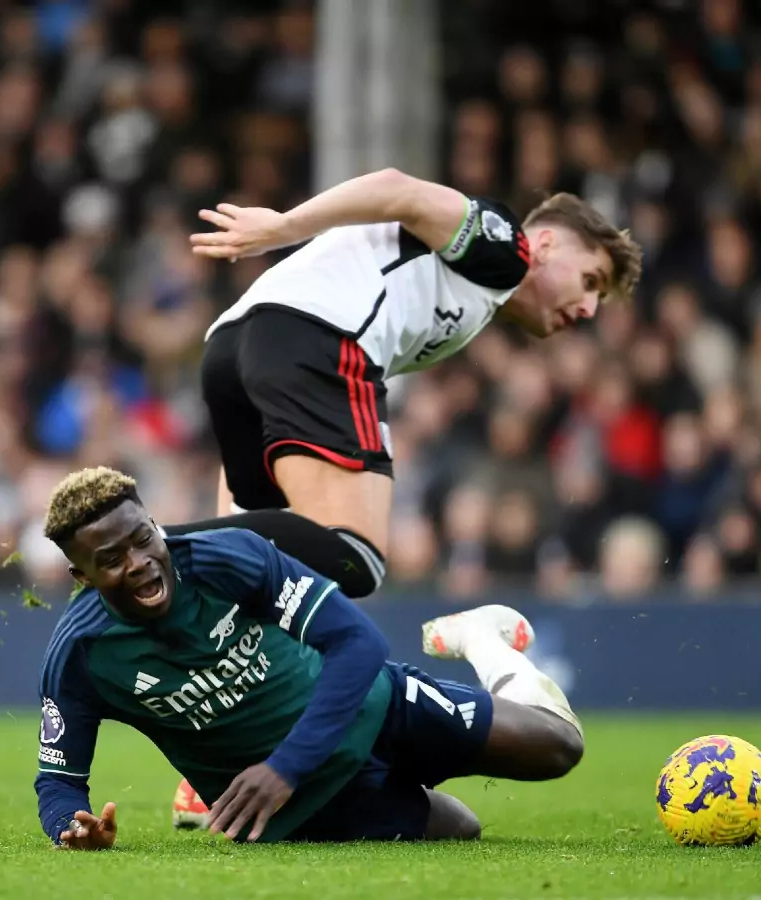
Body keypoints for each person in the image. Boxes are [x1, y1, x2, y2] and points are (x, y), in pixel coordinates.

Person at [162, 170, 642, 825]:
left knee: (262, 586)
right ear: (551, 243)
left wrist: (223, 534)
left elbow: (250, 523)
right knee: (356, 555)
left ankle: (205, 773)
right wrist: (280, 228)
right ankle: (148, 542)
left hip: (234, 346)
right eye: (591, 282)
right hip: (318, 337)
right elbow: (399, 189)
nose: (588, 310)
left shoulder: (468, 289)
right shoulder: (505, 249)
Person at [34, 467, 583, 849]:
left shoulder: (226, 558)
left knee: (559, 747)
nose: (139, 562)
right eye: (111, 559)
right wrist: (70, 828)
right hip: (300, 808)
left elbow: (359, 643)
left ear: (154, 523)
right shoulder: (81, 654)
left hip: (371, 709)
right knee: (462, 827)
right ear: (81, 576)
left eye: (143, 537)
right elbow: (58, 782)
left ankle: (481, 641)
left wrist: (283, 767)